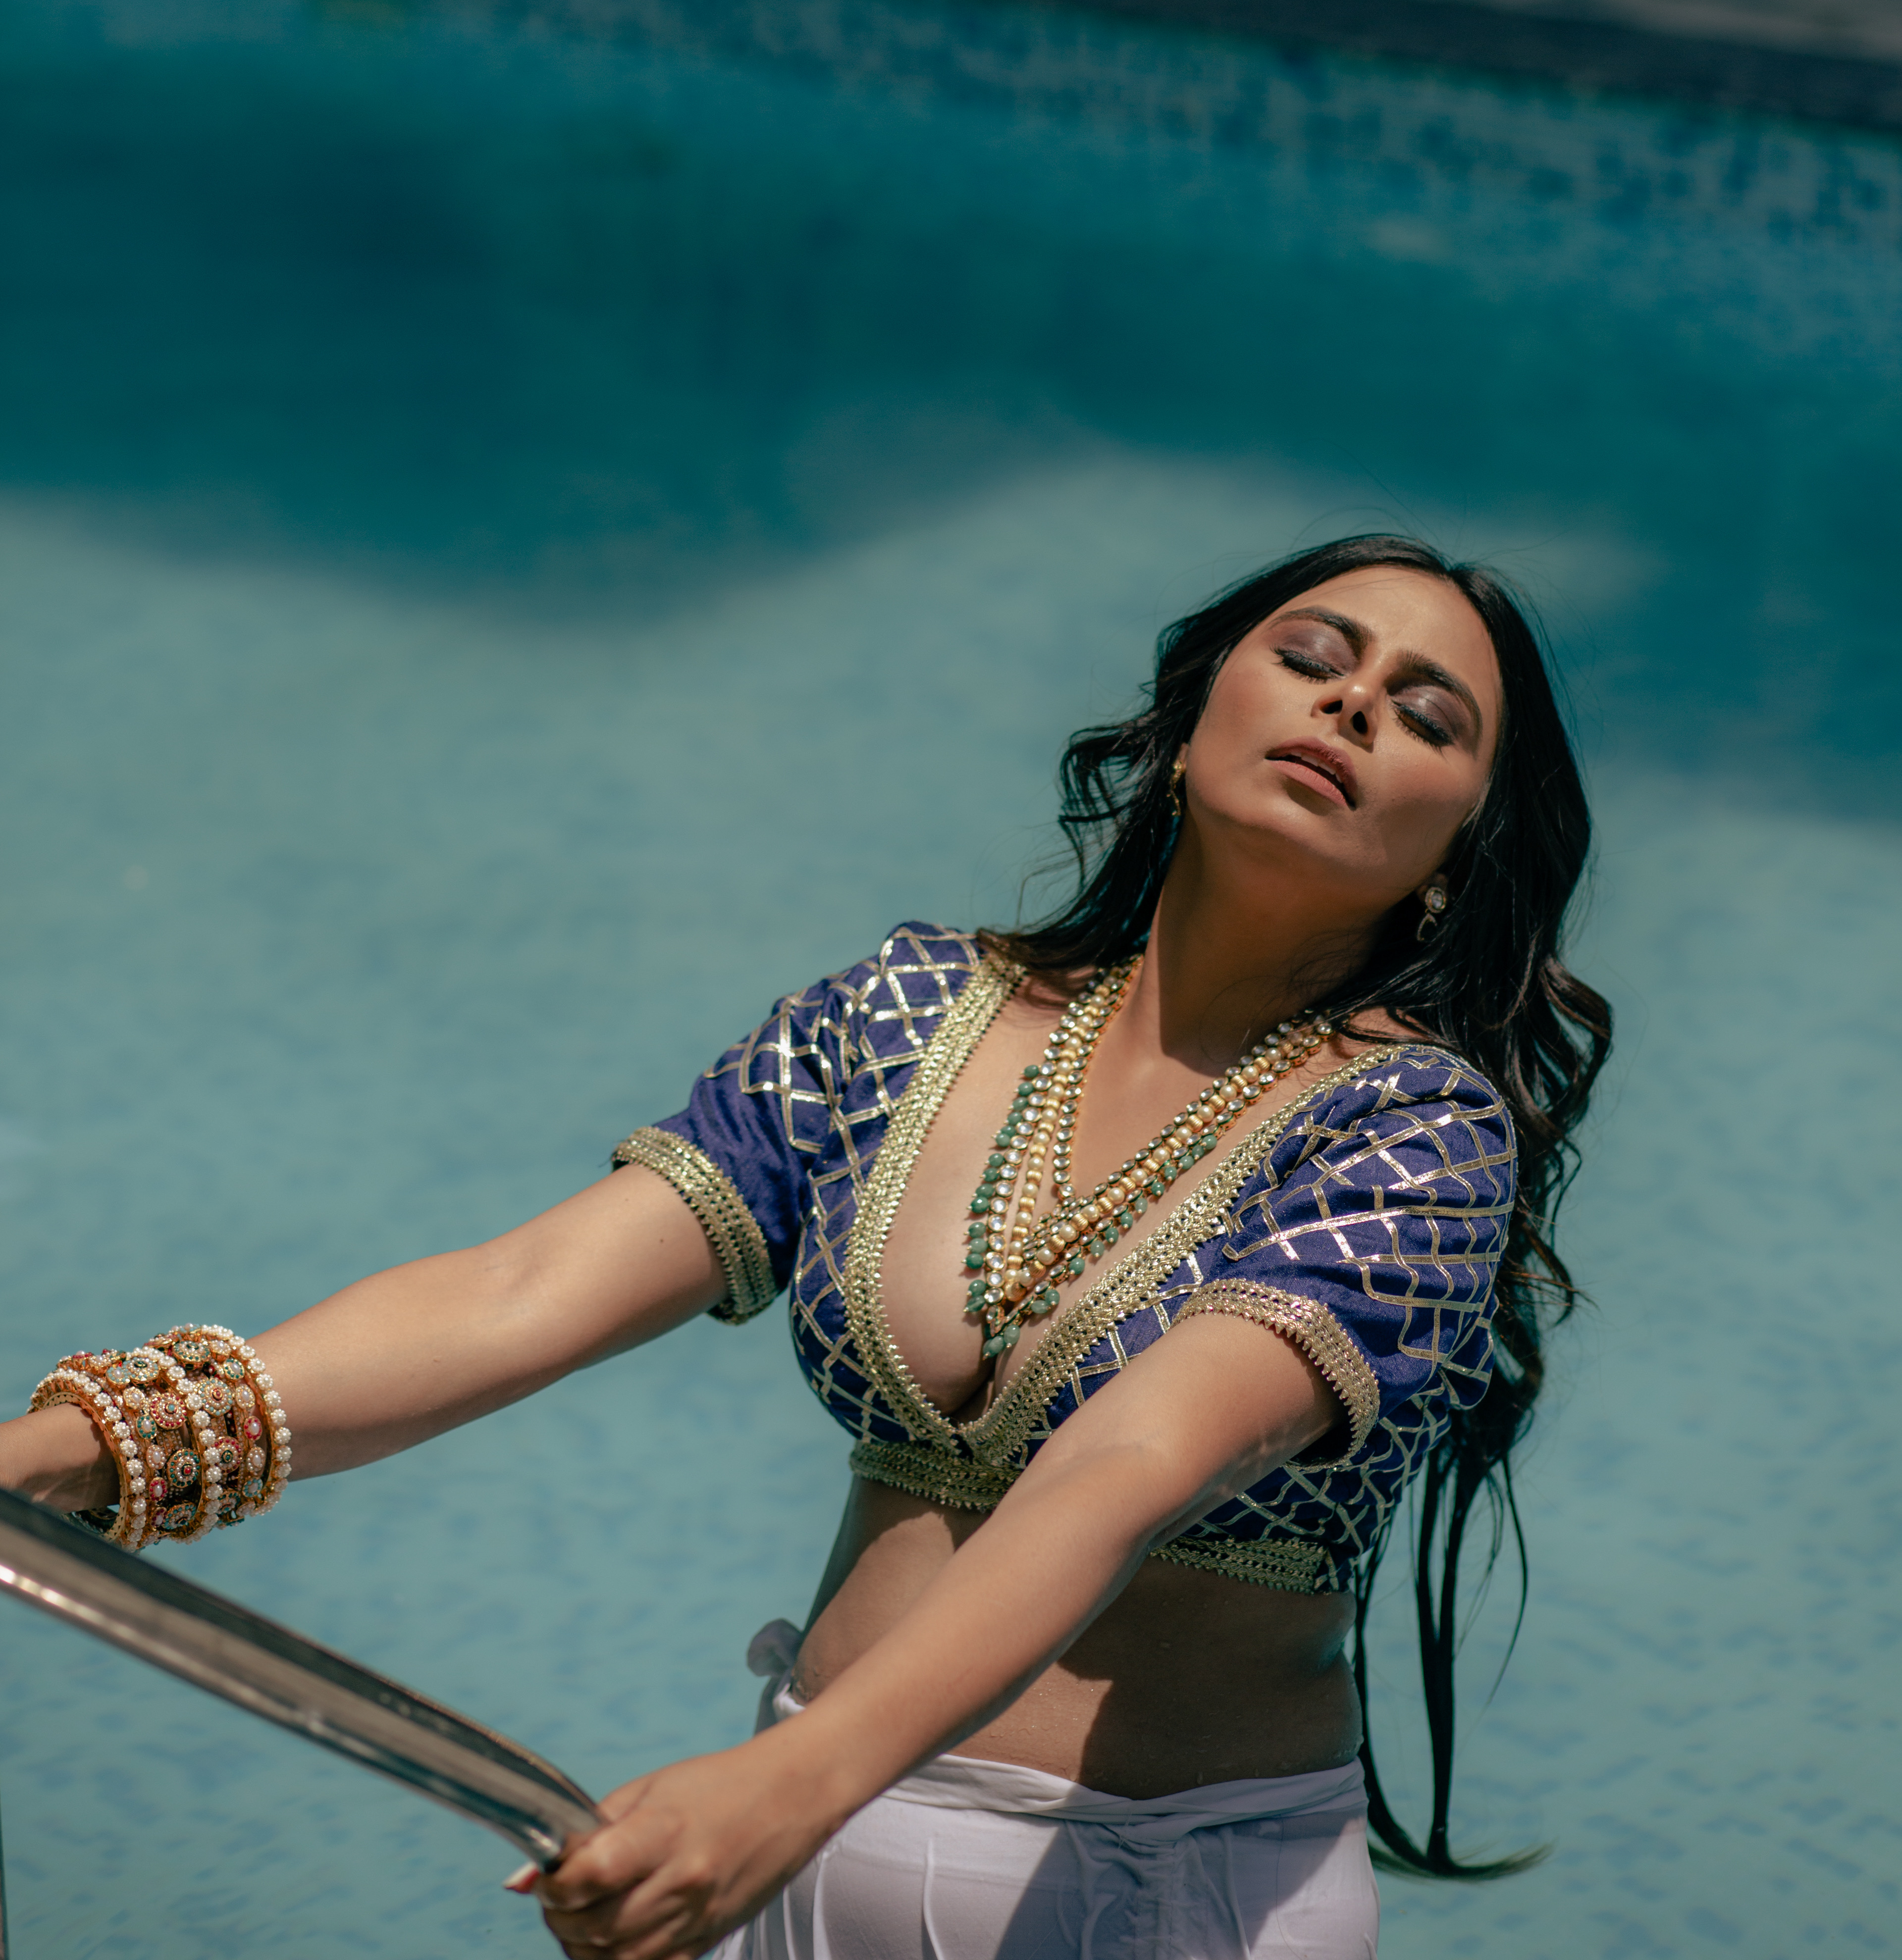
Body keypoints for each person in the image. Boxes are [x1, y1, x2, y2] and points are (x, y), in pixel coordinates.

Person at [0, 535, 1610, 1960]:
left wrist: (787, 1788)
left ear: (1457, 853)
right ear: (1189, 723)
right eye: (1315, 657)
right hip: (803, 1852)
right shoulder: (908, 1016)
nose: (1353, 705)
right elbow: (520, 1292)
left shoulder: (1415, 1137)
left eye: (1428, 717)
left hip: (1154, 1895)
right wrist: (68, 1453)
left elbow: (1128, 1464)